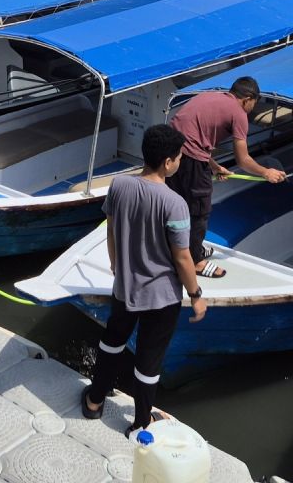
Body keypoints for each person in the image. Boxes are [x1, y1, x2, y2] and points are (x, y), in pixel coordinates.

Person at [81, 124, 206, 432]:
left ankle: (94, 401)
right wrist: (196, 294)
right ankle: (139, 424)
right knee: (148, 363)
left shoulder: (119, 185)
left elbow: (111, 230)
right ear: (168, 162)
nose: (179, 162)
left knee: (112, 343)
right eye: (178, 157)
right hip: (161, 298)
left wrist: (116, 264)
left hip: (124, 288)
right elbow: (182, 257)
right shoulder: (175, 203)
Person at [167, 75, 286, 278]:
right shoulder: (238, 113)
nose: (252, 109)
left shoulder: (209, 96)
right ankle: (194, 261)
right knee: (199, 210)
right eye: (254, 104)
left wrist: (213, 166)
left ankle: (178, 249)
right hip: (189, 159)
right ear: (248, 98)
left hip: (169, 151)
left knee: (175, 203)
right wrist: (266, 172)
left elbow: (193, 136)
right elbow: (243, 159)